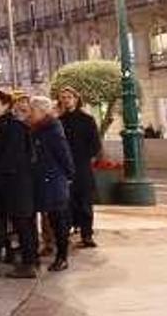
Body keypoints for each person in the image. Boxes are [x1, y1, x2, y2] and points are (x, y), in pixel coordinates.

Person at [0, 90, 38, 279]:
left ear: (6, 106)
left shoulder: (15, 127)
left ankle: (28, 264)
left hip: (15, 184)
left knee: (22, 224)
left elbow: (13, 157)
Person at [28, 96, 75, 272]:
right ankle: (55, 252)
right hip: (44, 180)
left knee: (58, 220)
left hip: (54, 180)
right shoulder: (37, 129)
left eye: (32, 110)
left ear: (41, 111)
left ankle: (62, 257)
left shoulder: (52, 128)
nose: (30, 114)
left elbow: (63, 153)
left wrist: (69, 175)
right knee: (52, 220)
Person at [58, 86, 102, 248]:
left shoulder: (87, 120)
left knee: (85, 203)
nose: (66, 100)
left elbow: (95, 145)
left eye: (69, 96)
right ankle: (66, 234)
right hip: (64, 169)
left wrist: (83, 158)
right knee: (66, 204)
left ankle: (87, 235)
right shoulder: (59, 121)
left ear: (76, 99)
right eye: (63, 97)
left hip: (82, 167)